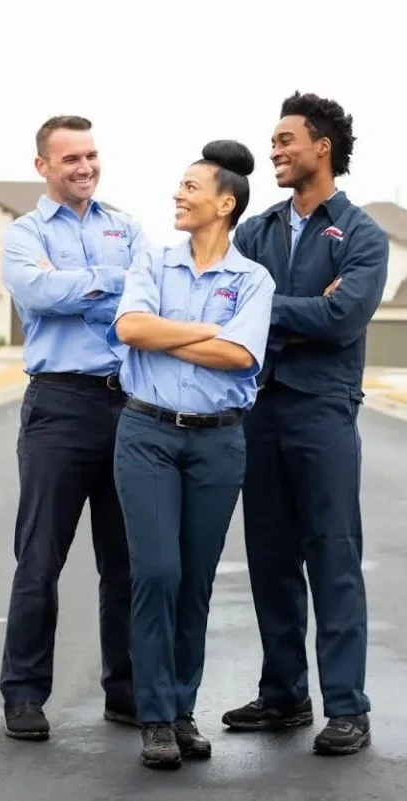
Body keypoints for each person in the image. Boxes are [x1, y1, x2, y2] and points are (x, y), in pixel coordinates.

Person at [223, 91, 389, 756]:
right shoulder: (255, 231)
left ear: (322, 146)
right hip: (257, 408)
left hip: (323, 409)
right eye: (273, 141)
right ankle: (285, 693)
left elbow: (343, 317)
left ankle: (347, 705)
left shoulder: (362, 235)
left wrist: (268, 307)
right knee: (268, 556)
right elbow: (228, 301)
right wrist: (295, 306)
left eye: (286, 139)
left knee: (333, 555)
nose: (275, 151)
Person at [107, 140, 274, 770]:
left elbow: (241, 357)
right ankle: (153, 717)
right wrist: (208, 331)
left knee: (196, 582)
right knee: (156, 572)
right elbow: (129, 329)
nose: (178, 195)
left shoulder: (254, 279)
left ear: (224, 203)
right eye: (178, 186)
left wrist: (169, 336)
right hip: (147, 433)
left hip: (218, 440)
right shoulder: (153, 260)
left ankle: (180, 711)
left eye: (190, 187)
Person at [0, 114, 149, 742]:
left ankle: (127, 691)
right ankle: (25, 696)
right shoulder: (21, 234)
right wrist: (111, 285)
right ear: (43, 166)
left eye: (91, 156)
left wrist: (79, 287)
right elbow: (35, 294)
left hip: (127, 406)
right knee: (39, 560)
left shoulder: (127, 227)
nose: (84, 168)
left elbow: (148, 298)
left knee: (126, 562)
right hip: (58, 407)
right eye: (70, 159)